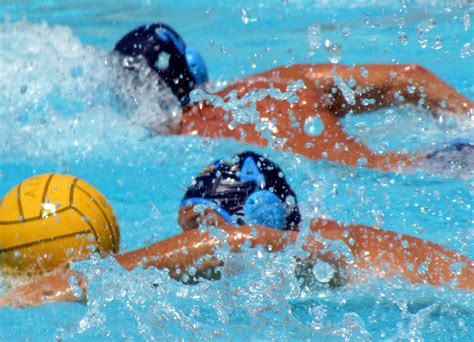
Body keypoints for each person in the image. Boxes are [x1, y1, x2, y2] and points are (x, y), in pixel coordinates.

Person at [0, 152, 472, 308]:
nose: (188, 247)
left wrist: (64, 285)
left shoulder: (322, 244)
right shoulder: (331, 250)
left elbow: (235, 242)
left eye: (194, 230)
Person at [114, 23, 474, 171]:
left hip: (417, 173)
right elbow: (411, 77)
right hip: (445, 158)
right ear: (195, 68)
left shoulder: (185, 142)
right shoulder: (279, 82)